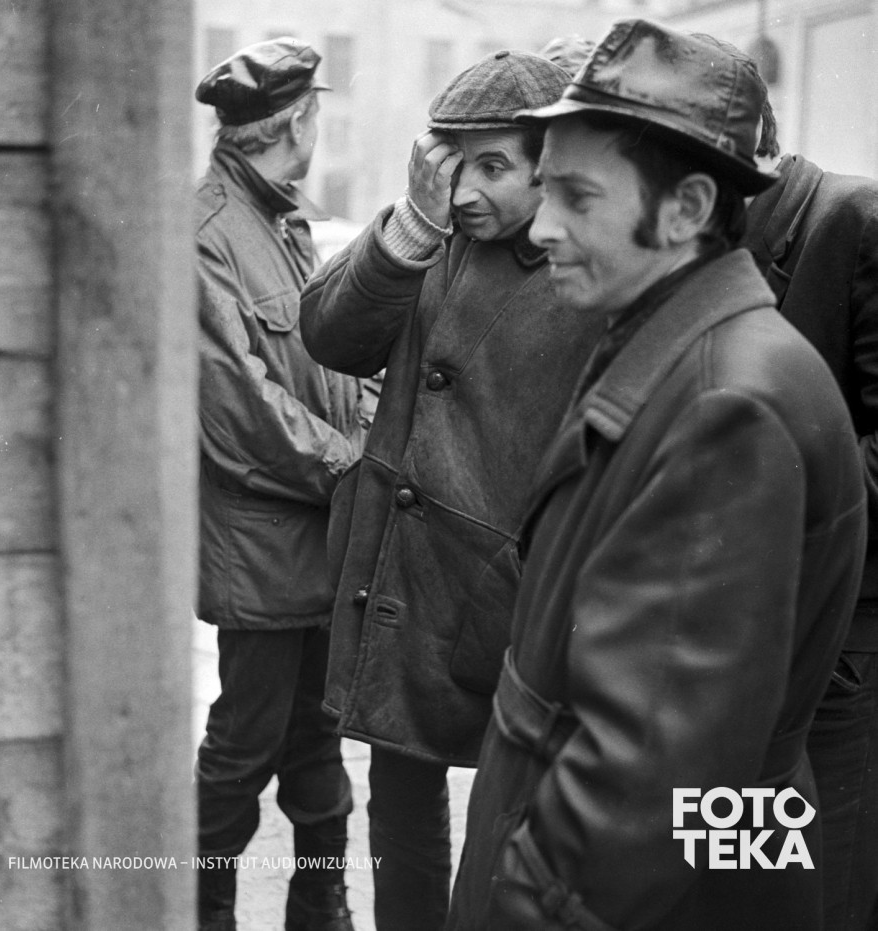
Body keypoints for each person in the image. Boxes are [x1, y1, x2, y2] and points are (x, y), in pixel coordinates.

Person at [446, 19, 868, 931]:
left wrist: (527, 908)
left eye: (576, 197)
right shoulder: (674, 342)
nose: (542, 226)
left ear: (684, 209)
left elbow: (644, 775)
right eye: (544, 188)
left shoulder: (727, 407)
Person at [299, 44, 602, 931]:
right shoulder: (428, 235)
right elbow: (330, 335)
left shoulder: (588, 266)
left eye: (492, 166)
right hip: (401, 578)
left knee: (510, 822)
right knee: (400, 812)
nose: (463, 189)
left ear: (550, 167)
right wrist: (407, 231)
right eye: (450, 163)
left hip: (504, 590)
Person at [193, 39, 363, 931]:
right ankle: (202, 909)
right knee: (242, 749)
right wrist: (353, 466)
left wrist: (363, 425)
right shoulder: (208, 233)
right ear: (298, 123)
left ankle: (320, 907)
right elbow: (240, 410)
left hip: (315, 541)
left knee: (318, 742)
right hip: (261, 552)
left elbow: (322, 366)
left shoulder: (281, 221)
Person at [730, 44, 878, 931]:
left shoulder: (856, 219)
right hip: (740, 639)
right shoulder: (706, 248)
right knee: (745, 872)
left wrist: (768, 507)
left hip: (838, 638)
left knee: (830, 887)